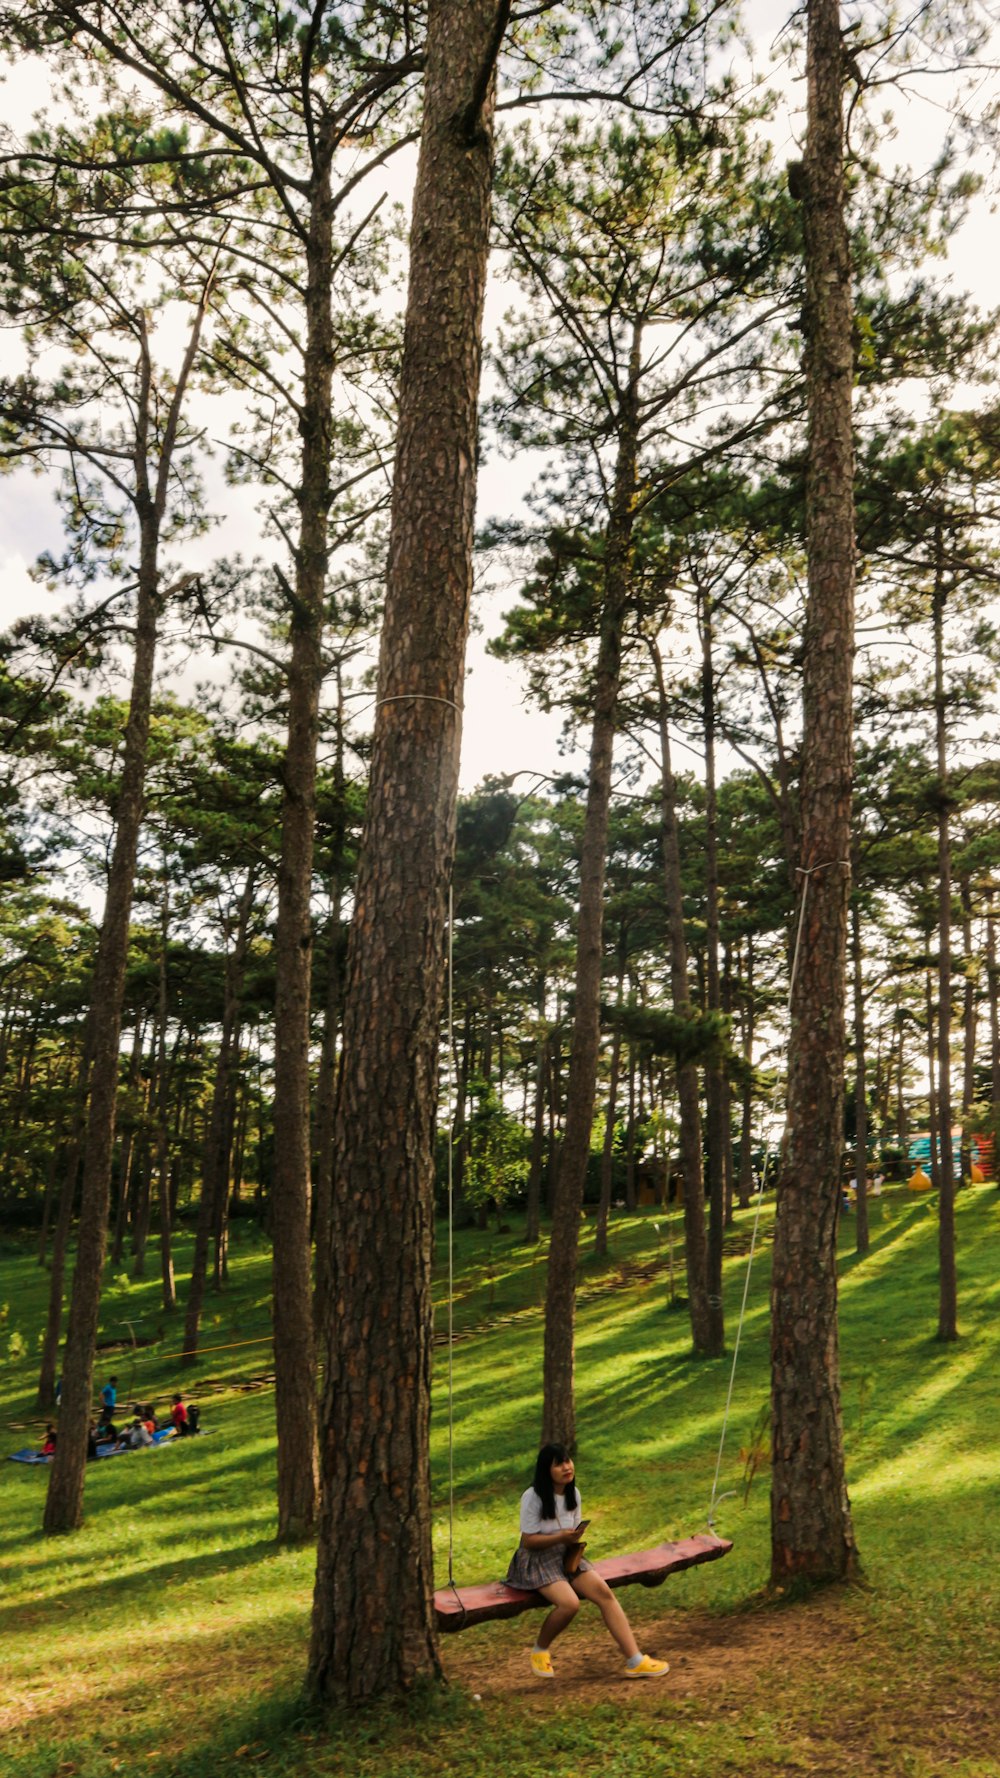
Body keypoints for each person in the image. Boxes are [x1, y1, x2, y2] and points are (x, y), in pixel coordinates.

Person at [507, 1444, 669, 1680]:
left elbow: (570, 1530)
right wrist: (560, 1537)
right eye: (559, 1464)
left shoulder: (574, 1494)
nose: (567, 1467)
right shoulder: (532, 1497)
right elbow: (528, 1541)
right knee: (570, 1604)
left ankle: (635, 1660)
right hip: (536, 1560)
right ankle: (540, 1650)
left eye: (568, 1461)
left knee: (604, 1593)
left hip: (567, 1555)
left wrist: (572, 1538)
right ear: (546, 1470)